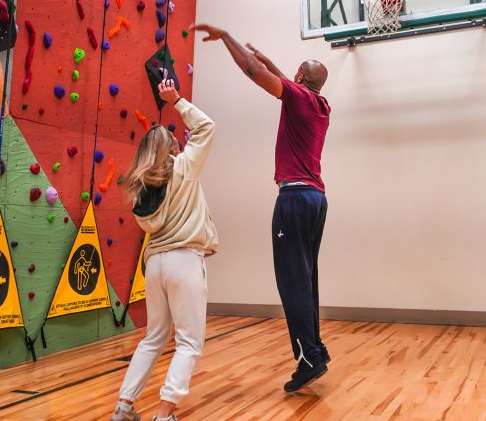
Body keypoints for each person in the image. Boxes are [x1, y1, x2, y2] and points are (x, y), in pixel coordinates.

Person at [191, 23, 331, 393]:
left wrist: (226, 37)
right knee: (307, 278)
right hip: (316, 199)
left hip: (295, 199)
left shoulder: (297, 97)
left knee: (292, 281)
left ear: (299, 79)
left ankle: (309, 357)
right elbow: (283, 79)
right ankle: (315, 348)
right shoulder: (320, 105)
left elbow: (254, 73)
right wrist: (270, 61)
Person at [112, 78, 220, 421]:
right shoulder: (184, 168)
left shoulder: (140, 189)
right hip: (184, 260)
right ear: (172, 148)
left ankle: (124, 406)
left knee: (153, 338)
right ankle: (164, 414)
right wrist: (176, 100)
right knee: (189, 343)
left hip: (155, 264)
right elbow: (206, 126)